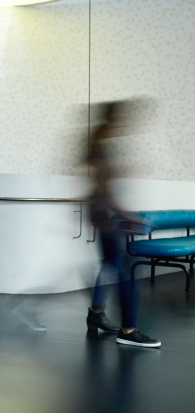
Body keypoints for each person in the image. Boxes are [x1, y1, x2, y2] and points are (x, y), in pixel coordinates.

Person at [85, 101, 160, 348]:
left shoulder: (98, 145)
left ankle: (96, 315)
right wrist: (128, 214)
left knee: (110, 263)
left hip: (100, 213)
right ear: (113, 121)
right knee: (126, 269)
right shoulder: (100, 149)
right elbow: (103, 190)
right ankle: (128, 329)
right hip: (105, 215)